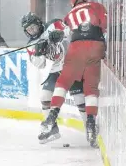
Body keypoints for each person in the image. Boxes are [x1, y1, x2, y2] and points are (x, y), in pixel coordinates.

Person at [40, 0, 107, 148]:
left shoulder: (69, 14)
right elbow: (104, 26)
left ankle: (53, 113)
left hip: (77, 47)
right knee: (91, 88)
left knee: (63, 81)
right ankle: (91, 122)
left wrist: (55, 36)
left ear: (73, 4)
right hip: (96, 45)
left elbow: (65, 32)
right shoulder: (96, 6)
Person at [21, 12, 87, 144]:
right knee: (45, 97)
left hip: (72, 63)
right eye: (29, 29)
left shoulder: (53, 24)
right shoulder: (31, 44)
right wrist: (39, 52)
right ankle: (52, 129)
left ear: (39, 24)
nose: (32, 31)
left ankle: (90, 127)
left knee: (79, 97)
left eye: (33, 27)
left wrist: (61, 34)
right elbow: (40, 64)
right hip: (57, 68)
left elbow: (71, 32)